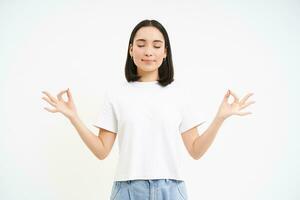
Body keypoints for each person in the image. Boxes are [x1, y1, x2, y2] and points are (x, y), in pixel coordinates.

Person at [41, 19, 255, 200]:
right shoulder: (116, 93)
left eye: (156, 45)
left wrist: (219, 118)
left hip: (171, 190)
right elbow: (101, 151)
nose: (148, 51)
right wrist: (73, 117)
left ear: (165, 52)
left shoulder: (179, 92)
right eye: (141, 44)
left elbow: (196, 150)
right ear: (131, 49)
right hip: (127, 190)